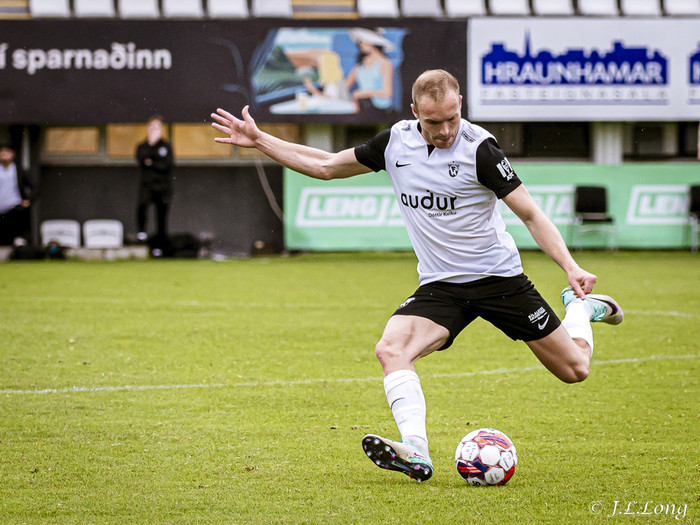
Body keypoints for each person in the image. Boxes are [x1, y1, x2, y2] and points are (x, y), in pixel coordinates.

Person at [211, 69, 623, 483]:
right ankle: (416, 450)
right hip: (440, 286)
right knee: (391, 349)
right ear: (414, 112)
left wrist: (570, 266)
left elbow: (531, 214)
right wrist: (261, 140)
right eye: (432, 122)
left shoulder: (480, 150)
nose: (444, 131)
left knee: (575, 370)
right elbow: (326, 165)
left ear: (460, 105)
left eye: (451, 119)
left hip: (498, 279)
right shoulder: (395, 142)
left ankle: (580, 310)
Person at [135, 115, 174, 251]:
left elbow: (166, 165)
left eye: (156, 127)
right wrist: (152, 149)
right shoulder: (142, 146)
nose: (154, 130)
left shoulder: (166, 146)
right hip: (147, 186)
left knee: (161, 217)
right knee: (142, 207)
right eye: (151, 127)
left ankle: (160, 246)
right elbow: (141, 159)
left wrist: (151, 162)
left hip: (163, 187)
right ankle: (141, 235)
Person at [345, 28, 394, 112]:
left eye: (364, 41)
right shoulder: (360, 64)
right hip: (363, 107)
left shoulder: (385, 63)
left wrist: (363, 93)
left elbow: (387, 93)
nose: (361, 44)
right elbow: (346, 84)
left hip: (380, 109)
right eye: (360, 41)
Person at [0, 143, 34, 246]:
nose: (4, 155)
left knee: (16, 237)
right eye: (2, 152)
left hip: (14, 207)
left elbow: (35, 186)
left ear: (12, 154)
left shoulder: (19, 171)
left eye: (7, 152)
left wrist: (28, 200)